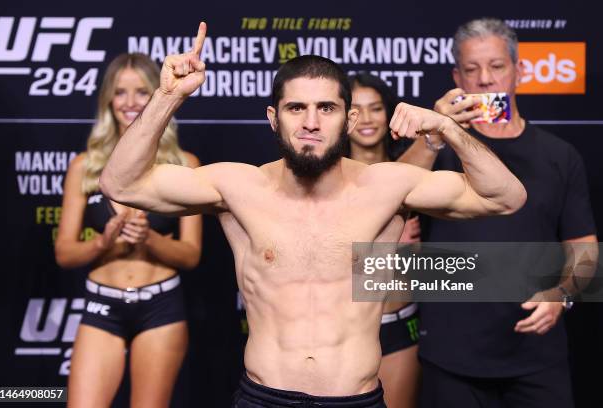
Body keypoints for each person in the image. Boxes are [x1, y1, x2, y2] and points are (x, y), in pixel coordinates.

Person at [100, 22, 526, 406]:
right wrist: (168, 95)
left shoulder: (387, 186)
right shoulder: (237, 187)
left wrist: (448, 129)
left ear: (349, 118)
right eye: (295, 108)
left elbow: (504, 198)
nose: (311, 122)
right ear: (273, 118)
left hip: (354, 400)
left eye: (326, 108)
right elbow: (121, 184)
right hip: (263, 398)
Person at [398, 18, 598, 408]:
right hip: (450, 357)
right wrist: (436, 134)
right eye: (471, 70)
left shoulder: (560, 156)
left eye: (496, 66)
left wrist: (562, 295)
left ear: (519, 71)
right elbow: (394, 195)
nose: (485, 80)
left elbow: (585, 248)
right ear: (457, 77)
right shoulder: (437, 150)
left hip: (536, 358)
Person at [54, 53, 202, 408]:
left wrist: (149, 238)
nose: (131, 102)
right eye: (120, 92)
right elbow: (64, 253)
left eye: (141, 92)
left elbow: (191, 255)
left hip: (161, 306)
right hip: (102, 304)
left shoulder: (185, 164)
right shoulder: (84, 167)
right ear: (108, 99)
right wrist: (102, 243)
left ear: (158, 93)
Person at [348, 72, 420, 408]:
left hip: (398, 321)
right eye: (356, 109)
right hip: (342, 330)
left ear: (389, 113)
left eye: (375, 108)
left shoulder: (417, 172)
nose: (366, 119)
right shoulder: (325, 174)